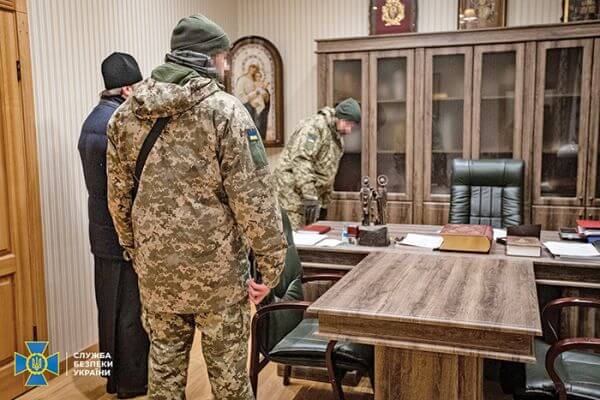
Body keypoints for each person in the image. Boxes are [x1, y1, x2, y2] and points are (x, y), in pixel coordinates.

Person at [106, 14, 286, 400]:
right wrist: (271, 267)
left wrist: (136, 252)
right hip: (219, 280)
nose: (226, 66)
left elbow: (118, 200)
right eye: (223, 58)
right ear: (207, 59)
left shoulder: (124, 117)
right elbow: (255, 198)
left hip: (157, 277)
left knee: (164, 379)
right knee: (229, 383)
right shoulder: (225, 112)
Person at [78, 52, 148, 398]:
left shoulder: (93, 119)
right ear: (127, 89)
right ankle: (131, 383)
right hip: (119, 235)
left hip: (102, 233)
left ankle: (113, 379)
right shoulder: (116, 125)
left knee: (109, 309)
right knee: (129, 314)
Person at [274, 98, 361, 230]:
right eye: (348, 124)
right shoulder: (314, 127)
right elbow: (301, 160)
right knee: (295, 236)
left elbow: (327, 170)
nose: (349, 130)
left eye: (352, 126)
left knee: (311, 235)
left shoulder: (336, 135)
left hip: (312, 196)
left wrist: (324, 202)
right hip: (291, 194)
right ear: (338, 117)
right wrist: (310, 196)